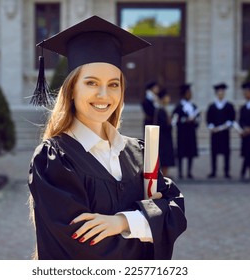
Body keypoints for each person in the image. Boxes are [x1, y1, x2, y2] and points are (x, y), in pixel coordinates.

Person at [27, 16, 187, 260]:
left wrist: (121, 223)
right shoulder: (54, 159)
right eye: (91, 82)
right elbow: (83, 246)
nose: (104, 94)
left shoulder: (139, 152)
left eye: (114, 84)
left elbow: (176, 212)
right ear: (71, 90)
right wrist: (149, 223)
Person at [206, 83, 236, 179]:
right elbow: (208, 119)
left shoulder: (229, 106)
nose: (221, 94)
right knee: (214, 152)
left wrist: (225, 126)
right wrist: (211, 127)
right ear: (216, 94)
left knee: (226, 152)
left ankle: (226, 171)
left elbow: (232, 118)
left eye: (222, 92)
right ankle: (213, 171)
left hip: (224, 133)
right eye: (219, 92)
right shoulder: (212, 106)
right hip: (214, 133)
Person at [172, 83, 200, 179]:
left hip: (191, 132)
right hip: (182, 132)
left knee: (190, 152)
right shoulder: (179, 106)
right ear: (184, 94)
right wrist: (185, 120)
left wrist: (195, 120)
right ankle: (180, 172)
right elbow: (175, 119)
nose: (190, 94)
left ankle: (189, 171)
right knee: (181, 152)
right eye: (188, 93)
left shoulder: (194, 106)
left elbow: (198, 118)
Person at [155, 89, 175, 177]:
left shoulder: (163, 109)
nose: (168, 99)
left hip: (166, 137)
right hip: (163, 138)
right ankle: (163, 176)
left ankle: (165, 174)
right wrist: (170, 122)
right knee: (163, 157)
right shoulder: (160, 110)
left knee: (166, 156)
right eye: (167, 97)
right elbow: (163, 124)